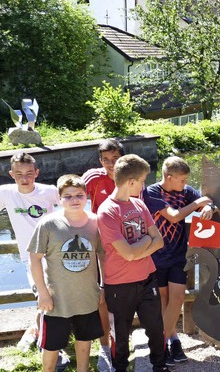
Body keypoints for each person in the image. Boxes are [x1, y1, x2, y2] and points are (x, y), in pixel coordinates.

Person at [97, 154, 168, 372]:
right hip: (119, 285)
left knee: (156, 328)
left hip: (147, 279)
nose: (144, 184)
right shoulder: (107, 211)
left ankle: (160, 366)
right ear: (131, 182)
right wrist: (146, 241)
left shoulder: (139, 204)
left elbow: (159, 241)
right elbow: (129, 252)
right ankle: (120, 368)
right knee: (120, 332)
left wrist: (138, 250)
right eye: (143, 180)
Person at [143, 156, 215, 366]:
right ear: (169, 177)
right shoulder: (151, 192)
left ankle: (161, 345)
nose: (185, 184)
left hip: (178, 255)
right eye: (182, 180)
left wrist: (207, 207)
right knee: (163, 302)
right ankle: (173, 341)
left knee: (177, 299)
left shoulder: (185, 191)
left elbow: (206, 200)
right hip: (156, 255)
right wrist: (197, 203)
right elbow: (174, 216)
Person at [28, 175, 104, 372]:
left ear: (87, 196)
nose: (74, 200)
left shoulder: (96, 222)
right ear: (59, 199)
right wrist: (43, 293)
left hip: (86, 296)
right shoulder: (48, 224)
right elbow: (34, 259)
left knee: (85, 340)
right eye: (68, 196)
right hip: (56, 299)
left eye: (79, 195)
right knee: (51, 345)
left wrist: (103, 286)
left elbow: (102, 257)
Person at [0, 153, 63, 364]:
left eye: (29, 174)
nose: (24, 179)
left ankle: (45, 338)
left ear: (36, 173)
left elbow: (74, 204)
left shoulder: (50, 191)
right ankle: (46, 340)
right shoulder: (5, 193)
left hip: (55, 254)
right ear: (11, 174)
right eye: (19, 174)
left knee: (54, 298)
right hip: (30, 259)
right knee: (43, 298)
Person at [81, 138, 124, 371]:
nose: (110, 164)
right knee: (102, 295)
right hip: (101, 247)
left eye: (115, 159)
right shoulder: (94, 177)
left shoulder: (130, 176)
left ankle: (120, 342)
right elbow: (73, 195)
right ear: (100, 160)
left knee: (124, 296)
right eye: (106, 159)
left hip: (127, 247)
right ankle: (104, 346)